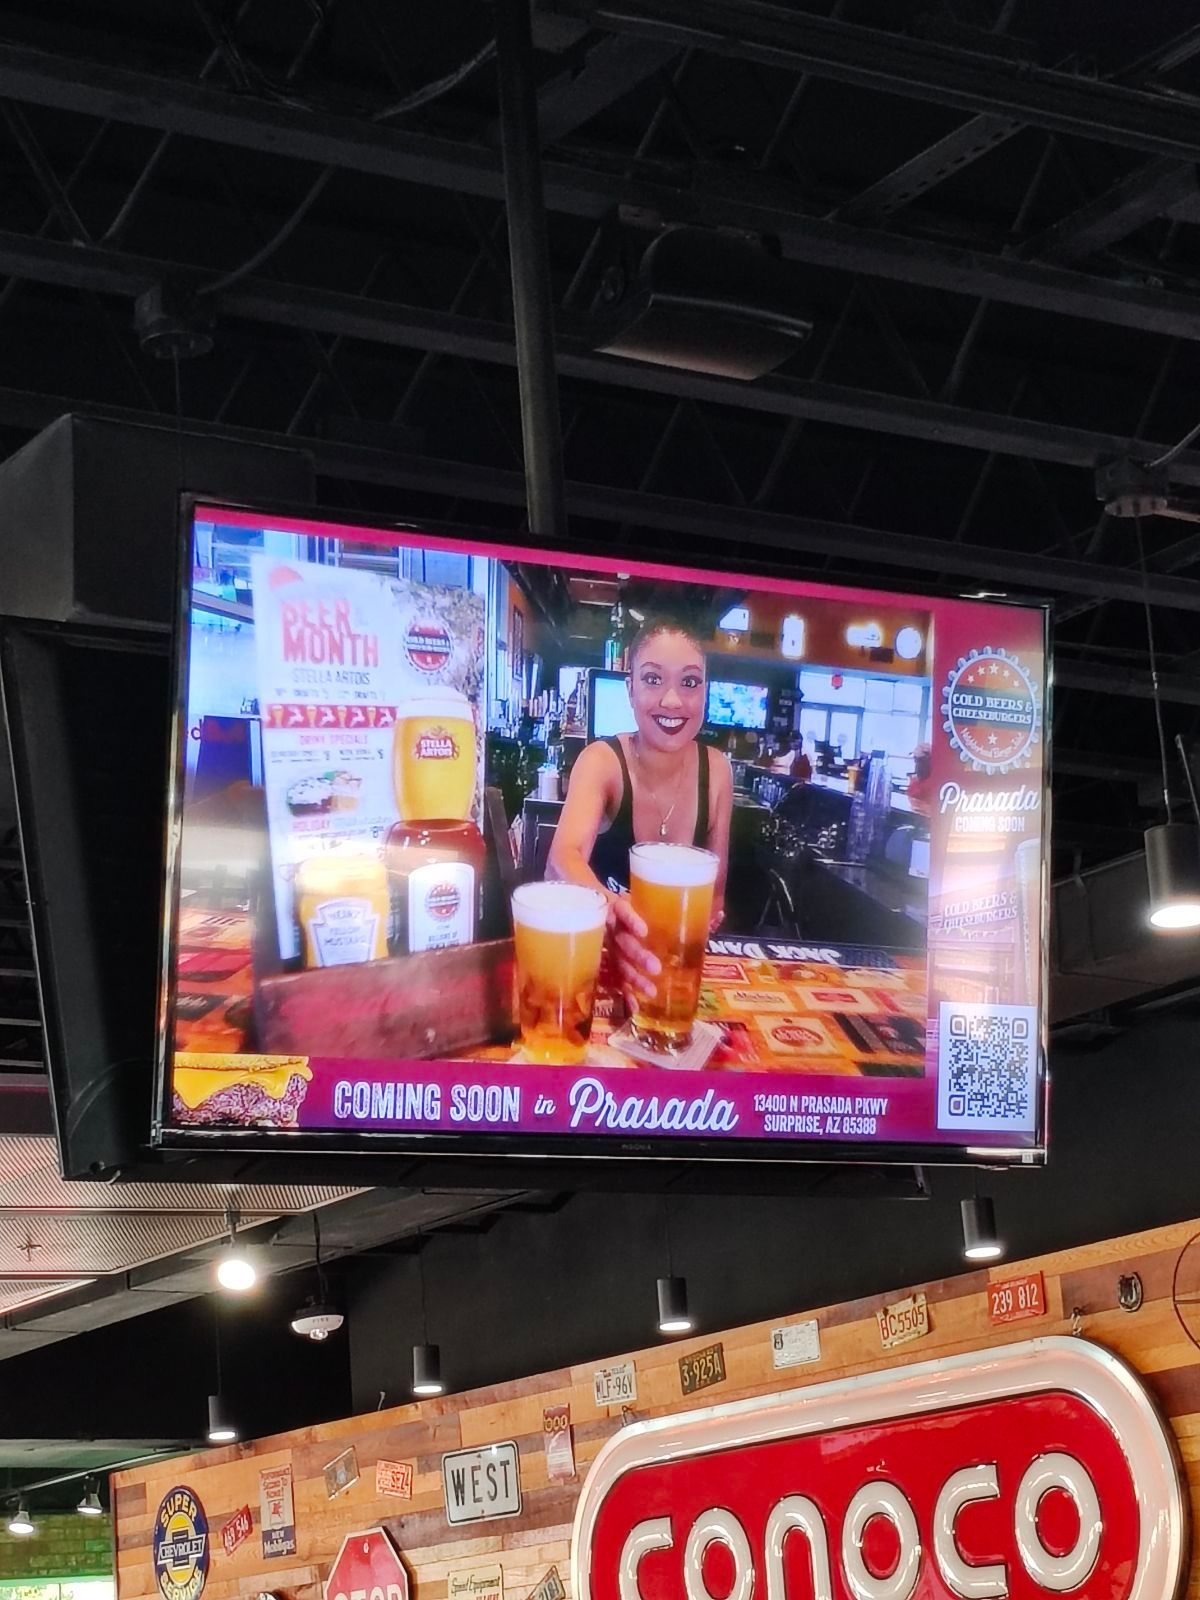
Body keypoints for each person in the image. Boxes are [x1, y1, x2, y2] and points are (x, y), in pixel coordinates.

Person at [547, 616, 734, 1003]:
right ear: (630, 690)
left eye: (689, 682)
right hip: (597, 962)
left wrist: (684, 940)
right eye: (652, 679)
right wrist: (613, 913)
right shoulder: (602, 760)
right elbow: (561, 859)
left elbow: (714, 896)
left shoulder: (717, 770)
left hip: (673, 977)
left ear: (705, 693)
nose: (672, 700)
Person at [907, 744, 933, 815]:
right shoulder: (916, 782)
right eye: (915, 760)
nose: (917, 764)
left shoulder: (933, 781)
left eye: (919, 760)